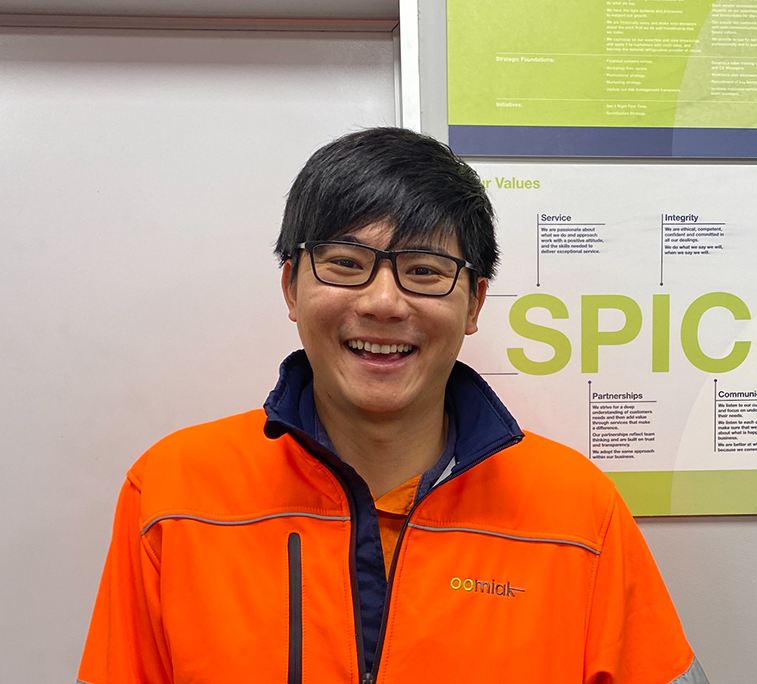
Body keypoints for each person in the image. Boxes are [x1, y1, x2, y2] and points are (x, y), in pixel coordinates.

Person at [77, 127, 709, 684]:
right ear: (291, 286)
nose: (384, 302)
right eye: (347, 263)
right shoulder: (172, 495)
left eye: (426, 270)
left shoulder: (577, 513)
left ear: (475, 304)